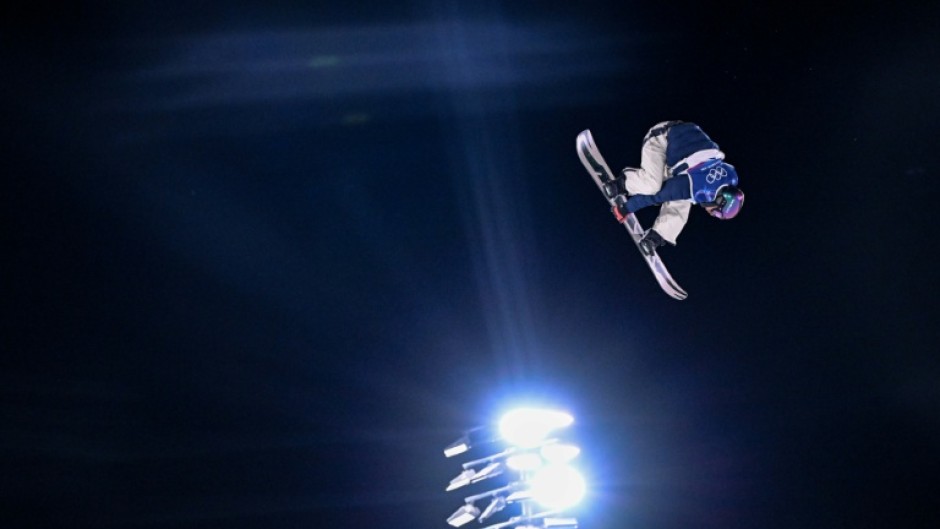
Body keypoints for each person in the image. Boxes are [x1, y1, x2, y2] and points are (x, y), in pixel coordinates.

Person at [603, 121, 745, 256]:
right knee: (653, 185)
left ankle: (657, 236)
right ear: (718, 200)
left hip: (679, 151)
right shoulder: (697, 186)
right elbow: (659, 195)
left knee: (683, 200)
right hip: (661, 138)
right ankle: (621, 184)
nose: (712, 215)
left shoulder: (730, 177)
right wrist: (625, 209)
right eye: (717, 214)